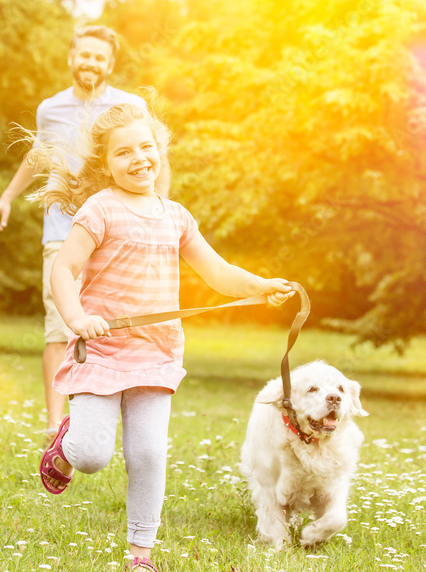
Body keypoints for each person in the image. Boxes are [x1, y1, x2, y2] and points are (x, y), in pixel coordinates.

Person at [31, 103, 293, 571]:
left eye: (146, 147)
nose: (138, 158)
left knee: (148, 453)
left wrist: (261, 286)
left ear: (161, 151)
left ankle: (140, 554)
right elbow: (64, 269)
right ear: (106, 163)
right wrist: (76, 317)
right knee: (93, 455)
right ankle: (67, 446)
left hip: (156, 353)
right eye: (124, 152)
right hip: (103, 349)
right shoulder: (101, 208)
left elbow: (218, 272)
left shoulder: (176, 217)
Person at [0, 25, 166, 445]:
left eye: (100, 58)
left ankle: (111, 416)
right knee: (59, 323)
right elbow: (38, 155)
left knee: (117, 322)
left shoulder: (130, 107)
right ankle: (54, 424)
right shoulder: (50, 109)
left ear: (110, 64)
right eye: (85, 55)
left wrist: (157, 211)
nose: (91, 63)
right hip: (63, 232)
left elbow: (155, 158)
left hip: (120, 234)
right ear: (71, 57)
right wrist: (6, 197)